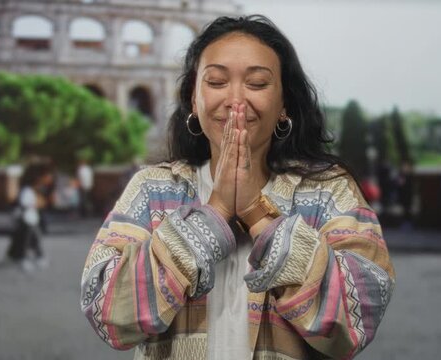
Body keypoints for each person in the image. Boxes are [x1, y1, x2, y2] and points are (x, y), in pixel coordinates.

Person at [80, 15, 395, 360]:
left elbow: (356, 319)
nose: (236, 101)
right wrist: (213, 212)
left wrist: (255, 210)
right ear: (192, 99)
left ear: (284, 104)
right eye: (215, 81)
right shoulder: (153, 190)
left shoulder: (328, 191)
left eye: (258, 84)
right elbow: (107, 312)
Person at [7, 162, 50, 271]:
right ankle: (24, 258)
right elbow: (24, 203)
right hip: (26, 220)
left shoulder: (32, 190)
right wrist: (37, 203)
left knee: (31, 240)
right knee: (26, 241)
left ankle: (35, 257)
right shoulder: (27, 190)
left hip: (31, 219)